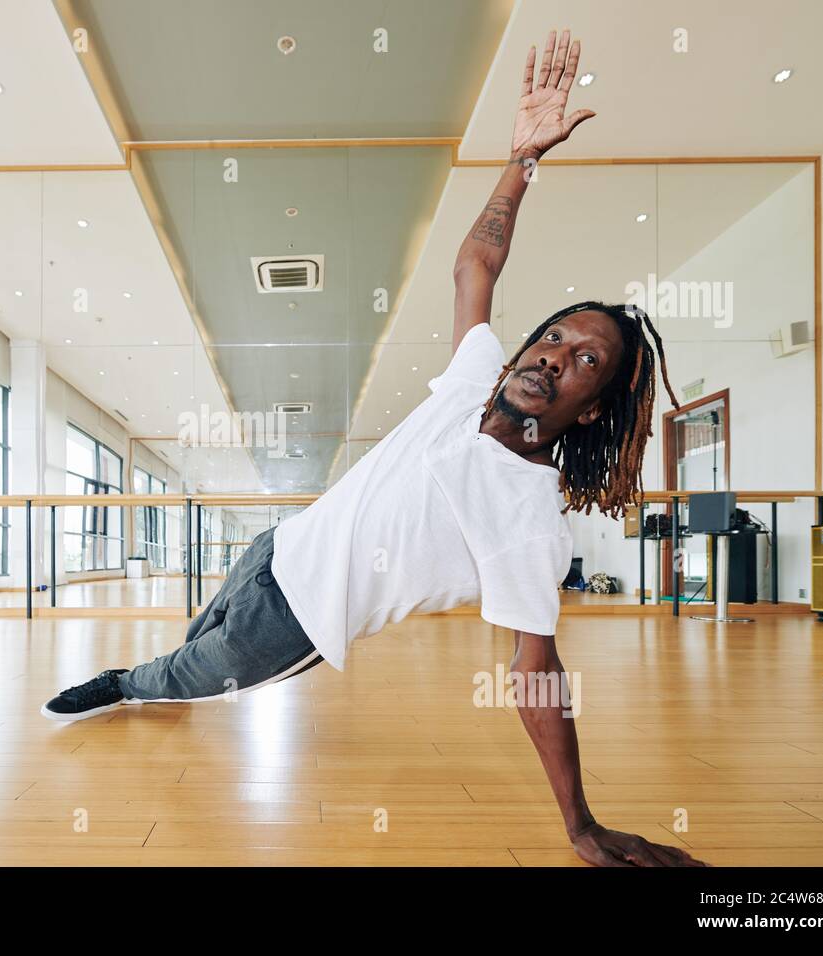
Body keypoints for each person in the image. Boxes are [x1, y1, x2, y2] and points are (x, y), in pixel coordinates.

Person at [43, 30, 706, 868]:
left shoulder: (529, 521)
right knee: (191, 637)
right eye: (552, 337)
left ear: (594, 407)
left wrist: (581, 823)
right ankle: (167, 664)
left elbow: (536, 673)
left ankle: (121, 686)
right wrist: (522, 160)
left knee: (178, 679)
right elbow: (477, 263)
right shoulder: (475, 378)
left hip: (291, 627)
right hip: (275, 547)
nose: (552, 356)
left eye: (585, 361)